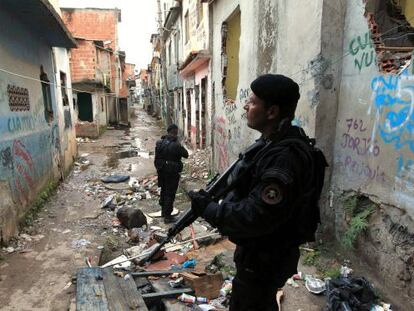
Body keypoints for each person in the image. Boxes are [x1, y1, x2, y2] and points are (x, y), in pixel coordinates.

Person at [188, 74, 326, 310]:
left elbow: (255, 215)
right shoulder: (271, 144)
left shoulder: (284, 157)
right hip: (261, 254)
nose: (245, 106)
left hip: (267, 258)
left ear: (271, 112)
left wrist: (210, 210)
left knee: (251, 303)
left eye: (252, 102)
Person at [154, 124, 189, 224]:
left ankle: (163, 211)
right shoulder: (176, 145)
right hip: (172, 173)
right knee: (170, 194)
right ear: (175, 132)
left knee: (164, 191)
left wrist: (160, 168)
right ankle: (167, 217)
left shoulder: (159, 142)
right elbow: (186, 155)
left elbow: (157, 158)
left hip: (162, 171)